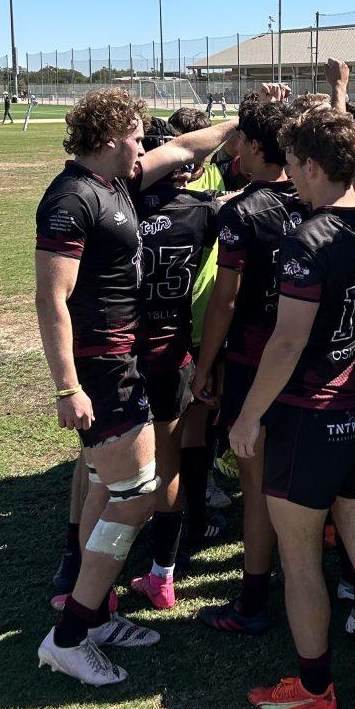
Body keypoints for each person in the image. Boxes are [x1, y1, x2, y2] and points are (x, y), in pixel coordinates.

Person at [34, 88, 237, 685]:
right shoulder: (72, 198)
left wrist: (234, 122)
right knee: (137, 494)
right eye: (132, 134)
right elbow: (51, 299)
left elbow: (181, 147)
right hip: (100, 367)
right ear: (105, 138)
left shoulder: (118, 181)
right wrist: (68, 386)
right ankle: (68, 637)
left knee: (107, 483)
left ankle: (91, 616)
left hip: (124, 358)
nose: (142, 143)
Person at [230, 83, 355, 709]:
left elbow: (286, 341)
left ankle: (314, 688)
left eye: (294, 168)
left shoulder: (309, 240)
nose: (293, 183)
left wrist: (248, 416)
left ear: (309, 166)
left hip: (310, 421)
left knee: (302, 558)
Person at [192, 89, 306, 635]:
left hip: (253, 359)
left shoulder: (242, 210)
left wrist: (204, 363)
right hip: (311, 358)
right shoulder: (321, 197)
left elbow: (226, 299)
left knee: (259, 485)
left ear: (257, 147)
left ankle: (254, 601)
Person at [124, 117, 223, 609]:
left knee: (108, 466)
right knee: (169, 460)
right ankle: (166, 567)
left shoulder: (116, 204)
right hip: (172, 351)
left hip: (121, 353)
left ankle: (86, 567)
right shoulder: (205, 210)